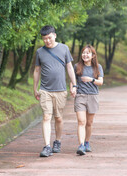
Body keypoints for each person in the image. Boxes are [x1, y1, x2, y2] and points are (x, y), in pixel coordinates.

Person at [33, 25, 77, 157]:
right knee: (46, 116)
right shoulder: (40, 52)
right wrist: (35, 88)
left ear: (55, 35)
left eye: (49, 38)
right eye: (44, 39)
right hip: (45, 89)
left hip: (60, 90)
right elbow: (36, 71)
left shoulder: (64, 48)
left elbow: (69, 68)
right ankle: (46, 146)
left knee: (58, 118)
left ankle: (57, 141)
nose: (47, 41)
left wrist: (74, 85)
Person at [71, 44, 104, 155]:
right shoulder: (77, 66)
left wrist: (91, 79)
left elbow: (100, 82)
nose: (85, 55)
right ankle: (81, 146)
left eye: (88, 53)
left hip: (93, 96)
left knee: (89, 123)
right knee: (81, 121)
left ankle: (87, 142)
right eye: (83, 53)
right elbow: (73, 80)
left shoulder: (98, 67)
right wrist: (73, 89)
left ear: (93, 55)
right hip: (80, 96)